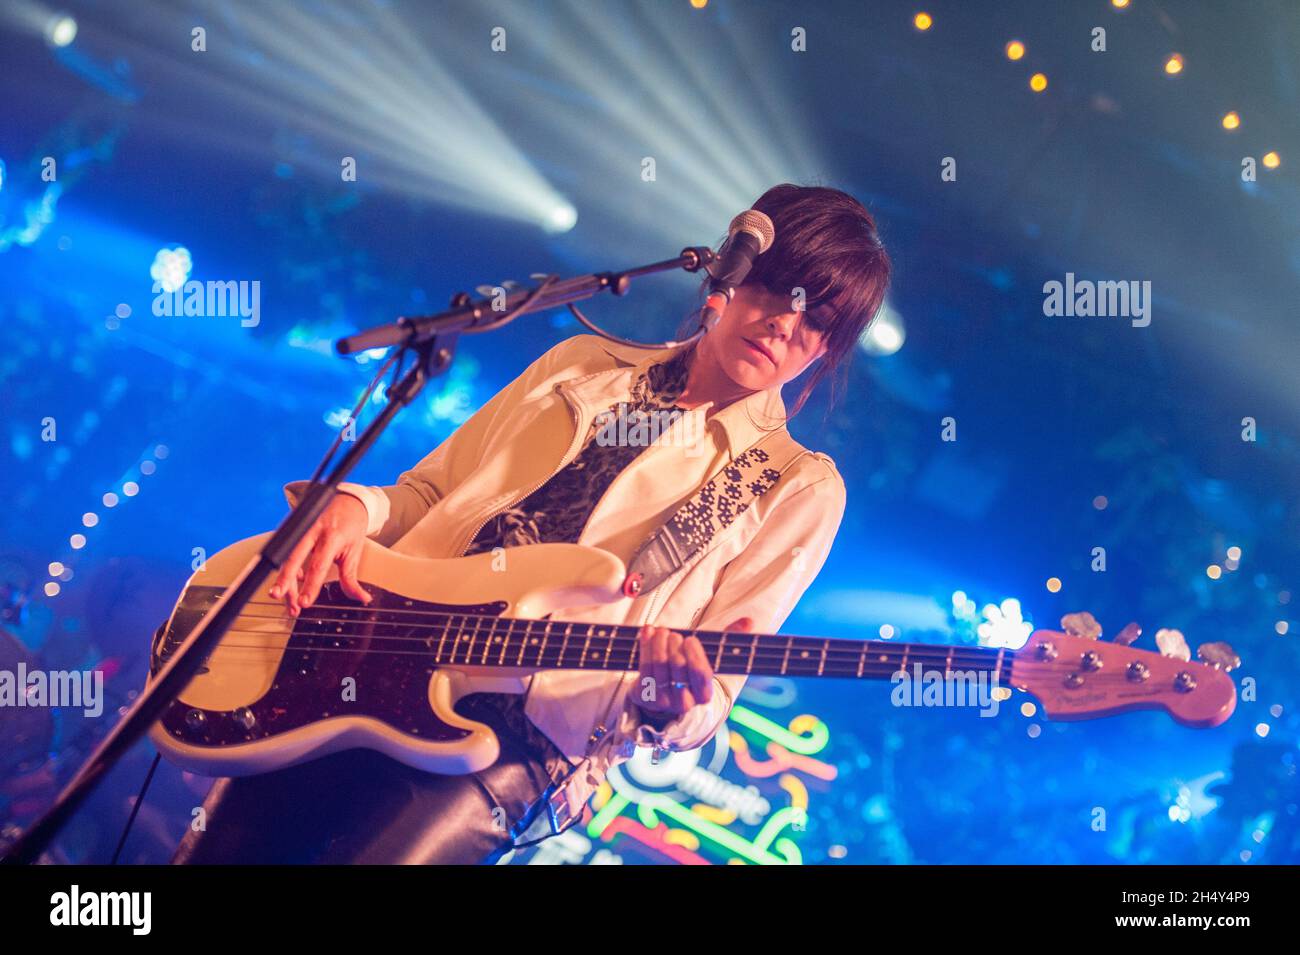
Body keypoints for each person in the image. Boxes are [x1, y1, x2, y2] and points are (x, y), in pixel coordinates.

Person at [171, 182, 891, 864]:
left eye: (818, 322)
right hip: (357, 649)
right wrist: (357, 504)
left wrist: (675, 698)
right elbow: (429, 491)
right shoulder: (581, 365)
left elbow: (715, 695)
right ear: (727, 277)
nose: (785, 322)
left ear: (825, 351)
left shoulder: (794, 484)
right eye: (775, 288)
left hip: (510, 738)